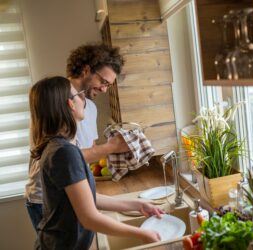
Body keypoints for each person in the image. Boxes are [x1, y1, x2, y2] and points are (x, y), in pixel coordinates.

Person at [30, 76, 161, 249]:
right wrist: (141, 233)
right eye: (78, 95)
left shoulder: (61, 147)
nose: (83, 99)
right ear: (70, 104)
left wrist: (138, 205)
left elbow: (88, 198)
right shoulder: (64, 153)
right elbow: (89, 217)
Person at [25, 43, 130, 231]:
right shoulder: (53, 102)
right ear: (87, 70)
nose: (105, 89)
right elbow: (61, 157)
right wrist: (111, 147)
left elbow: (84, 158)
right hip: (47, 199)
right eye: (104, 82)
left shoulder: (90, 108)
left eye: (109, 85)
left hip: (73, 189)